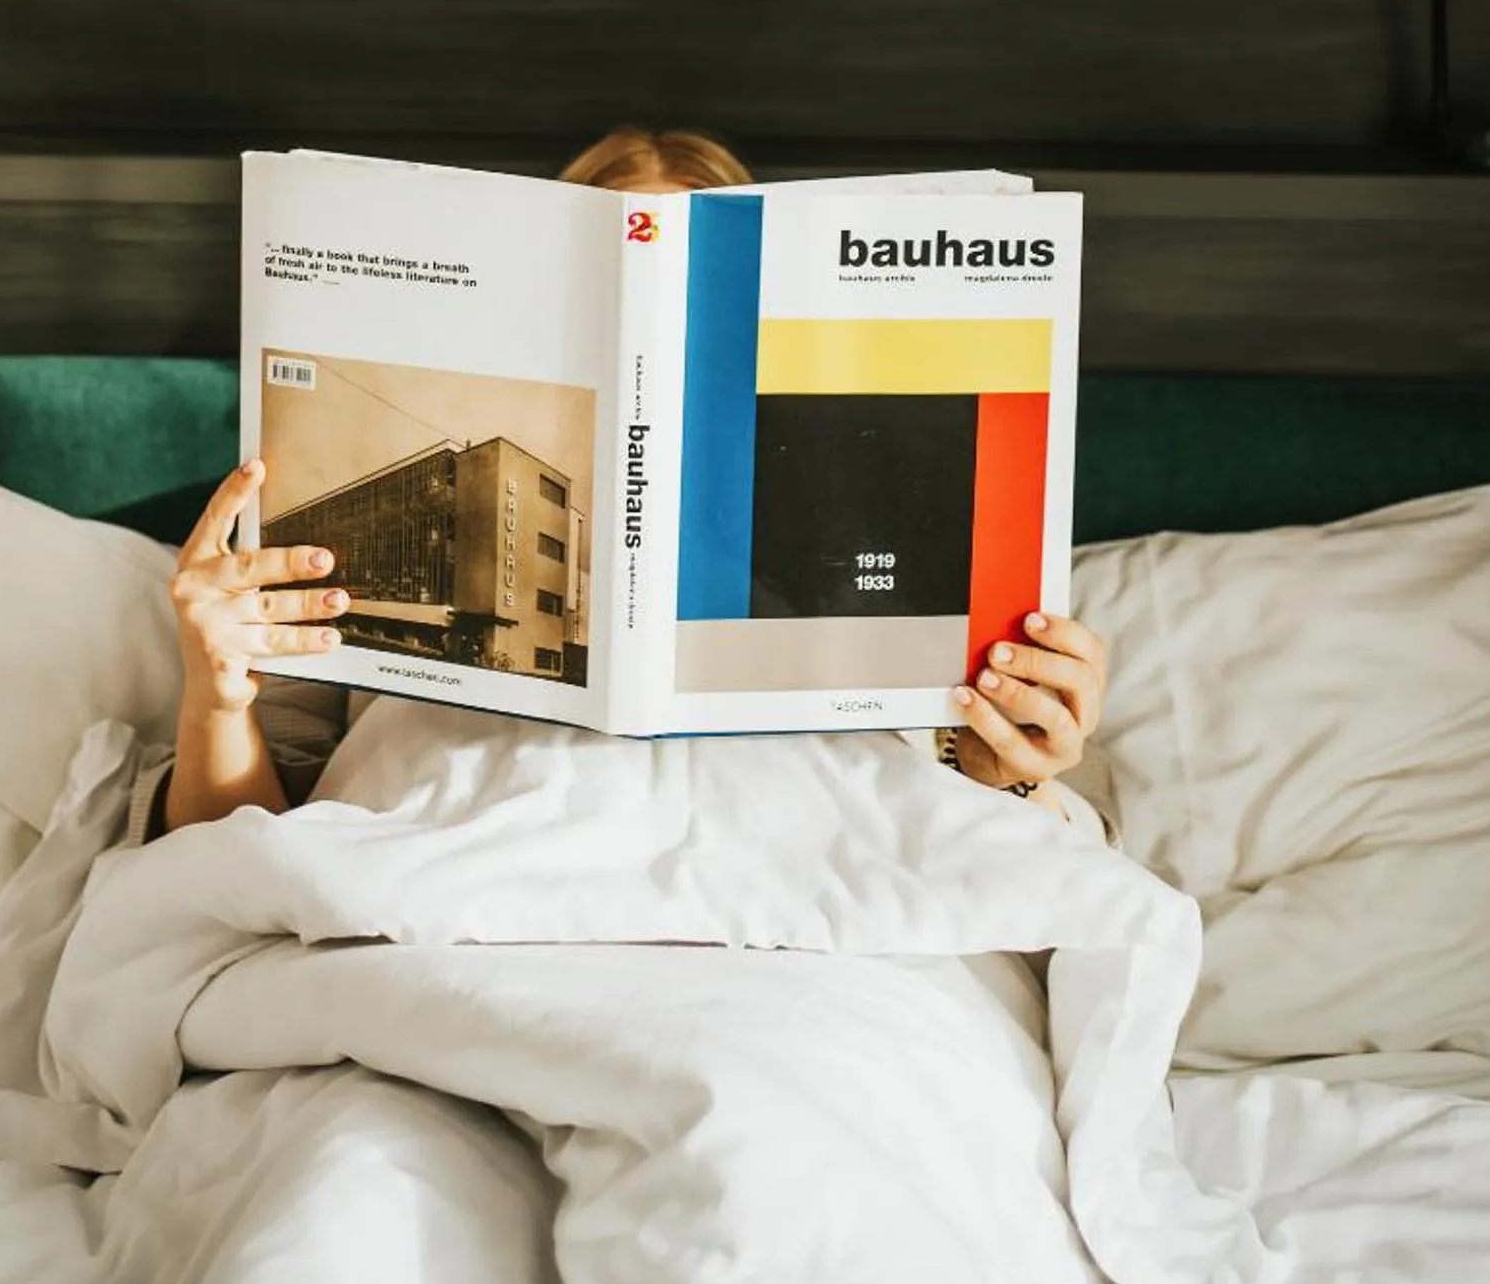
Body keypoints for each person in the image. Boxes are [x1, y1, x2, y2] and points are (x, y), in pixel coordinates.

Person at [137, 128, 1113, 844]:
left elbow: (974, 879)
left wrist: (1012, 777)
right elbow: (234, 863)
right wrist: (214, 701)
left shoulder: (870, 613)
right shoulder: (315, 566)